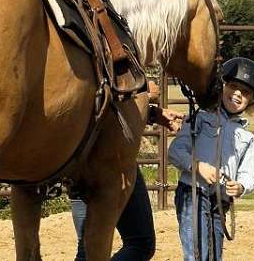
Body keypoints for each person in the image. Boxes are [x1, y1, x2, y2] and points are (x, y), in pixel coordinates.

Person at [168, 57, 254, 261]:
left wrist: (240, 187)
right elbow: (176, 151)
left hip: (220, 200)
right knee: (197, 255)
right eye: (233, 86)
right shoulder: (201, 118)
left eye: (245, 92)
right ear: (222, 86)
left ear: (252, 101)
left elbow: (248, 175)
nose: (237, 93)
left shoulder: (247, 138)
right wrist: (197, 166)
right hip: (193, 192)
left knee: (214, 257)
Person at [69, 99, 184, 261]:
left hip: (75, 163)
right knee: (140, 243)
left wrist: (151, 113)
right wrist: (150, 111)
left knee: (86, 251)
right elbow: (115, 96)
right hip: (113, 158)